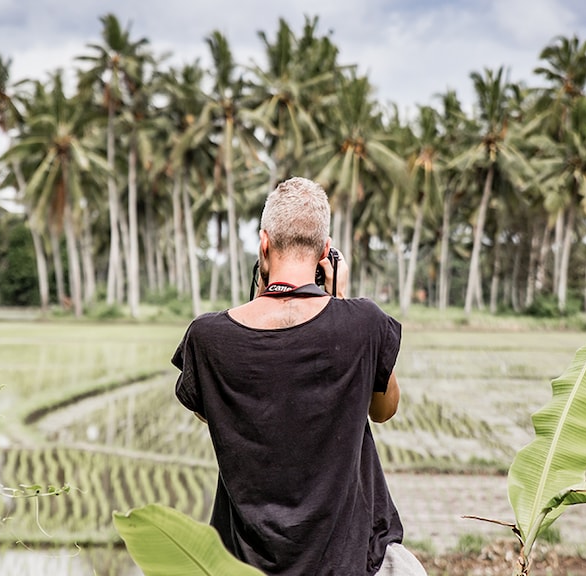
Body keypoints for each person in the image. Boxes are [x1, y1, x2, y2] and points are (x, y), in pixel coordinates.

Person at [172, 177, 426, 575]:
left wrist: (262, 292)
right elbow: (385, 409)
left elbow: (211, 414)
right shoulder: (363, 324)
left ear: (264, 243)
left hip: (244, 564)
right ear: (326, 251)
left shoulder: (208, 338)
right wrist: (341, 300)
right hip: (352, 563)